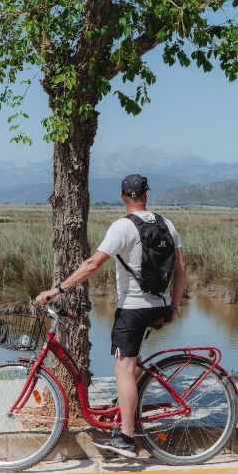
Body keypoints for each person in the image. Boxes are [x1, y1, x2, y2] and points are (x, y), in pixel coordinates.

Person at [35, 174, 186, 459]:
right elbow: (181, 267)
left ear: (122, 196)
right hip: (161, 305)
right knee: (132, 365)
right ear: (146, 195)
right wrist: (174, 306)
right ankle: (127, 406)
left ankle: (126, 439)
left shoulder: (122, 227)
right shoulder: (167, 224)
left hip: (134, 309)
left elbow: (93, 264)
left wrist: (57, 290)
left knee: (123, 369)